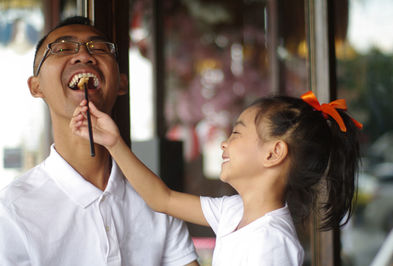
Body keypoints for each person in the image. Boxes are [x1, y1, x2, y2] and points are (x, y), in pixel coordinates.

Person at [70, 90, 363, 265]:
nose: (224, 143)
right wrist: (114, 143)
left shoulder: (272, 241)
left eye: (236, 133)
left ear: (273, 153)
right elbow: (163, 198)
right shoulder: (233, 211)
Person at [0, 16, 199, 266]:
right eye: (62, 48)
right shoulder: (10, 211)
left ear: (122, 84)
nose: (84, 56)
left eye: (99, 48)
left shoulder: (157, 200)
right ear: (36, 87)